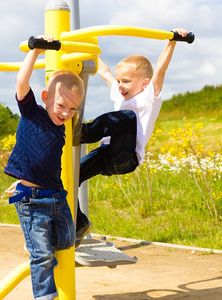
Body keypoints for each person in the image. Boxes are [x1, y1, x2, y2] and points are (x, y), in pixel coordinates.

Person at [75, 28, 189, 246]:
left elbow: (161, 70)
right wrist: (89, 51)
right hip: (105, 155)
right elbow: (105, 72)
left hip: (126, 156)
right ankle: (79, 223)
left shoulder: (149, 96)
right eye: (119, 81)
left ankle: (85, 133)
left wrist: (172, 41)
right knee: (70, 177)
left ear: (144, 84)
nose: (120, 86)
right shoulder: (119, 94)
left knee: (126, 117)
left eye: (126, 81)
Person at [4, 35, 85, 300]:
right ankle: (45, 296)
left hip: (56, 195)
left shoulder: (62, 127)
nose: (66, 113)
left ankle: (35, 243)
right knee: (42, 258)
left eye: (72, 109)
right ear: (46, 97)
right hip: (31, 201)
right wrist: (36, 50)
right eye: (62, 106)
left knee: (66, 242)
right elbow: (21, 82)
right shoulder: (33, 114)